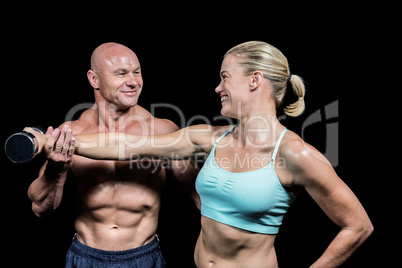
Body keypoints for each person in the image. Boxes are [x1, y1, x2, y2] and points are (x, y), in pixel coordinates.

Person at [27, 41, 373, 267]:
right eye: (121, 73)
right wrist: (48, 143)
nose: (218, 87)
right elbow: (123, 145)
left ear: (254, 81)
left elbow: (357, 226)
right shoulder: (208, 137)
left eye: (225, 78)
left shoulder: (296, 154)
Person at [26, 42, 199, 268]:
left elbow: (203, 200)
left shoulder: (163, 131)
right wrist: (55, 170)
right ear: (94, 79)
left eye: (137, 72)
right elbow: (40, 209)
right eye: (121, 73)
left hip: (144, 257)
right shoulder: (72, 132)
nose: (133, 81)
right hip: (85, 257)